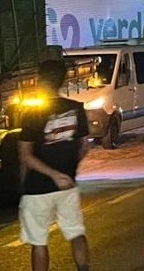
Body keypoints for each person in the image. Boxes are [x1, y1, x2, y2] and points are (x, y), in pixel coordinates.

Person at [18, 59, 91, 271]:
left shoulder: (32, 114)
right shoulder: (76, 108)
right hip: (68, 185)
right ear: (62, 81)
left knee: (39, 241)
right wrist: (67, 170)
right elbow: (84, 146)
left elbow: (26, 156)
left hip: (38, 189)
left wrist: (52, 175)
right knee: (76, 232)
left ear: (40, 81)